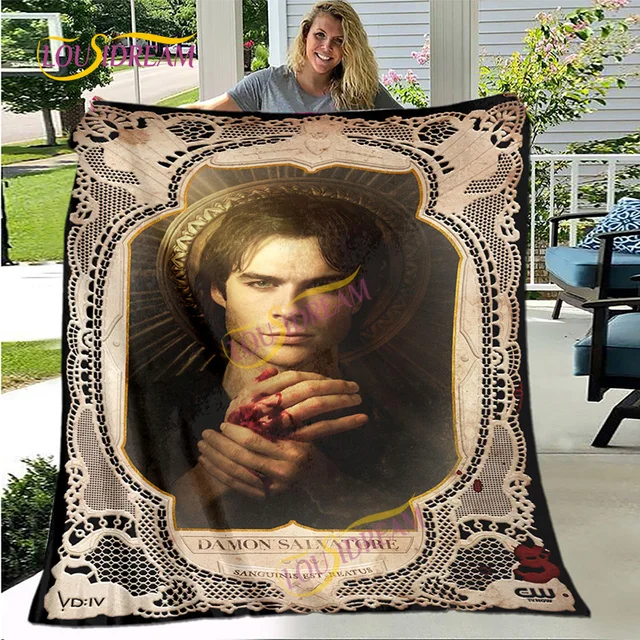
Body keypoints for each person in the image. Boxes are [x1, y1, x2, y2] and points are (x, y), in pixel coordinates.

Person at [149, 182, 458, 530]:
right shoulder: (148, 411)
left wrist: (333, 488)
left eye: (322, 286)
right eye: (262, 283)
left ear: (357, 297)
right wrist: (208, 479)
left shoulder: (419, 420)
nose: (290, 311)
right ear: (219, 291)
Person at [184, 0, 401, 112]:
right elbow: (205, 111)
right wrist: (162, 118)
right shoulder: (266, 84)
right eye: (320, 35)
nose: (326, 47)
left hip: (341, 187)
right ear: (306, 34)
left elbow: (410, 130)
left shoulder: (362, 90)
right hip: (277, 186)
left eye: (339, 40)